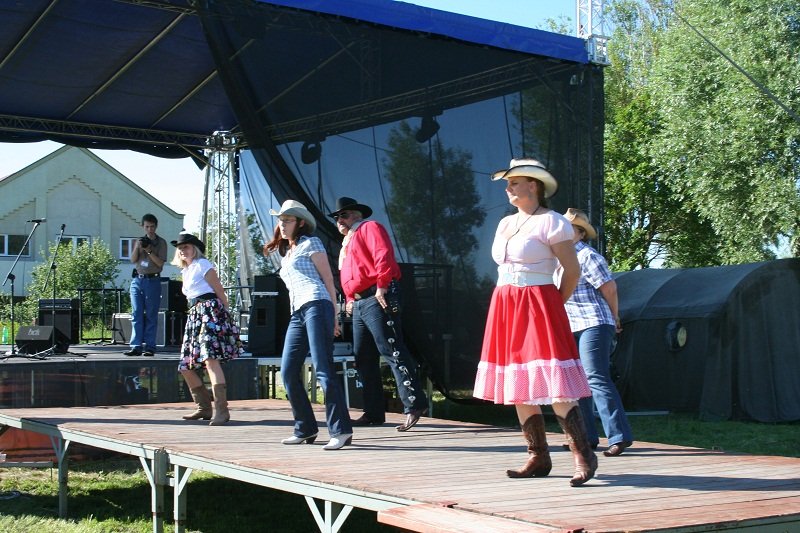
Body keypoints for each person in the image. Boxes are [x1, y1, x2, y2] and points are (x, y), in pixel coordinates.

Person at [472, 158, 598, 487]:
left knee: (552, 377)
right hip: (506, 302)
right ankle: (538, 456)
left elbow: (572, 270)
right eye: (508, 182)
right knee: (517, 380)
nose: (508, 187)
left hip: (539, 301)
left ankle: (582, 452)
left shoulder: (553, 222)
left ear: (534, 186)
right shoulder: (505, 224)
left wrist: (555, 303)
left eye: (515, 182)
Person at [330, 197, 429, 432]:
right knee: (363, 355)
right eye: (337, 218)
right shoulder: (348, 243)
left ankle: (414, 404)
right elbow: (350, 275)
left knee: (391, 348)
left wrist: (382, 285)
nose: (340, 221)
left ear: (356, 216)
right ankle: (373, 412)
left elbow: (382, 254)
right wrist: (351, 298)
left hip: (377, 294)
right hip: (361, 301)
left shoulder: (368, 228)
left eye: (344, 216)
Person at [264, 200, 354, 450]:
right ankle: (305, 428)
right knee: (288, 371)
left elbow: (327, 278)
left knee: (323, 368)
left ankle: (341, 430)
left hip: (317, 304)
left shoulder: (311, 243)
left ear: (301, 223)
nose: (282, 225)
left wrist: (334, 315)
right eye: (280, 221)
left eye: (287, 220)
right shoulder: (288, 252)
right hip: (298, 312)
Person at [562, 208, 634, 457]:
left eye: (569, 227)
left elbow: (610, 289)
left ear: (580, 233)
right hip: (570, 325)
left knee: (595, 376)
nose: (562, 231)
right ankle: (585, 437)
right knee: (574, 381)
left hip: (594, 321)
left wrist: (615, 317)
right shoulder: (559, 257)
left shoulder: (588, 256)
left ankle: (619, 436)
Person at [171, 232, 241, 426]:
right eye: (180, 248)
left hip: (209, 311)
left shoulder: (203, 265)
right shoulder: (186, 270)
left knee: (210, 359)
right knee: (186, 366)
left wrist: (225, 311)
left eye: (186, 247)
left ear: (195, 248)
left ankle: (221, 409)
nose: (182, 250)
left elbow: (218, 289)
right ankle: (204, 407)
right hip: (195, 314)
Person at [125, 213, 167, 357]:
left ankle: (150, 346)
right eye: (147, 227)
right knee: (136, 312)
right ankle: (136, 345)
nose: (150, 230)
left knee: (150, 314)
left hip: (153, 280)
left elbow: (160, 263)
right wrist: (138, 247)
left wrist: (149, 250)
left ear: (156, 227)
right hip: (137, 280)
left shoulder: (161, 242)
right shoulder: (140, 241)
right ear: (143, 226)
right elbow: (133, 260)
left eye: (152, 227)